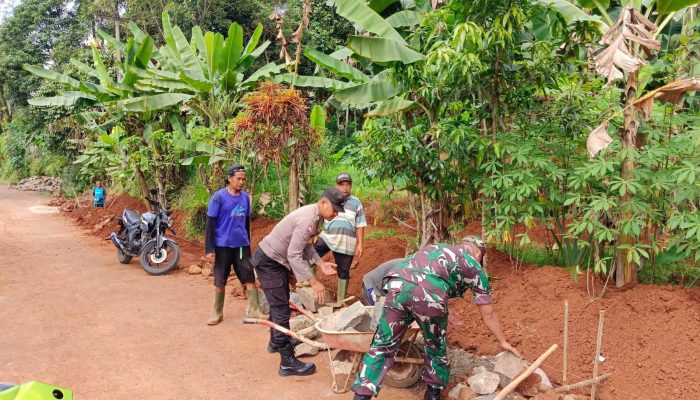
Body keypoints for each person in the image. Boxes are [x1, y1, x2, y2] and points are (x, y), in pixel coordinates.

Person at [352, 236, 521, 400]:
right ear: (478, 255)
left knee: (382, 347)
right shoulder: (474, 266)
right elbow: (488, 313)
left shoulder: (436, 248)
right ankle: (432, 394)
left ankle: (361, 396)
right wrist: (502, 341)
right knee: (435, 348)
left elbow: (422, 275)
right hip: (430, 297)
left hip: (396, 286)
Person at [252, 188, 345, 377]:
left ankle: (275, 343)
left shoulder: (315, 216)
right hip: (269, 262)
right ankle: (287, 362)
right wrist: (314, 282)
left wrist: (320, 263)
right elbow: (293, 255)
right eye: (334, 209)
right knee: (280, 310)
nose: (335, 214)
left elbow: (306, 245)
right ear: (324, 203)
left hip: (274, 261)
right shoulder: (307, 219)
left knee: (280, 303)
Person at [205, 164, 265, 326]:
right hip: (222, 245)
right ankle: (217, 312)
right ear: (229, 178)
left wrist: (247, 240)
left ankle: (255, 309)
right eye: (238, 179)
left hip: (241, 246)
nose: (241, 182)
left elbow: (245, 221)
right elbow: (210, 223)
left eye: (243, 179)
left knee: (249, 276)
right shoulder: (219, 197)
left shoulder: (245, 197)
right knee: (220, 279)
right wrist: (209, 250)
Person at [312, 173, 367, 305]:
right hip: (328, 236)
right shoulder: (329, 199)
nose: (345, 187)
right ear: (336, 185)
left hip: (346, 241)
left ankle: (340, 302)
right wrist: (314, 233)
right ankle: (309, 286)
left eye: (347, 184)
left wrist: (360, 244)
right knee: (310, 255)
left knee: (343, 271)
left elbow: (360, 224)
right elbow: (318, 215)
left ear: (351, 186)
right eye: (341, 184)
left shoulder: (356, 202)